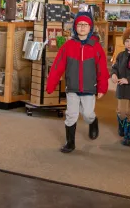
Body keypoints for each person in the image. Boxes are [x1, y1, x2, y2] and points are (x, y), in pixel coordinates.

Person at [46, 11, 109, 153]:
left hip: (89, 88)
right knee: (71, 114)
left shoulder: (96, 47)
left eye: (85, 25)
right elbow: (57, 66)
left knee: (87, 113)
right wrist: (51, 84)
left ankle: (93, 122)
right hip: (72, 87)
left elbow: (102, 69)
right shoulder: (68, 46)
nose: (82, 27)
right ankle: (70, 143)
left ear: (90, 27)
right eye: (79, 24)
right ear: (75, 27)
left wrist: (102, 87)